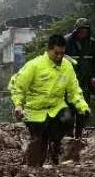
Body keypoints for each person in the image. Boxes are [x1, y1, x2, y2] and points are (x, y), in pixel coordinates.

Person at [9, 34, 90, 166]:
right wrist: (18, 105)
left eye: (62, 54)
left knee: (68, 118)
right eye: (56, 53)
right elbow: (17, 85)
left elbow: (74, 91)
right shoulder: (34, 65)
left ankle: (55, 144)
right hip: (35, 112)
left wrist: (83, 107)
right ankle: (37, 155)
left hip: (56, 108)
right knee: (38, 150)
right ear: (48, 50)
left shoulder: (67, 67)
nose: (59, 57)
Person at [64, 18, 95, 138]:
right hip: (68, 83)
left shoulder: (91, 44)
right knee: (68, 109)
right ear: (76, 30)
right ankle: (68, 135)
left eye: (85, 31)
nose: (82, 33)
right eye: (80, 30)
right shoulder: (66, 42)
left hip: (85, 82)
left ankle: (78, 136)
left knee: (82, 110)